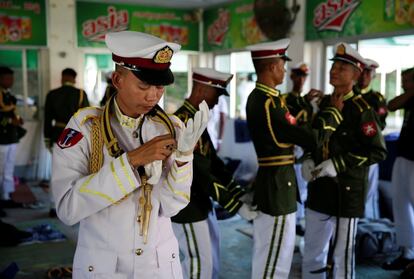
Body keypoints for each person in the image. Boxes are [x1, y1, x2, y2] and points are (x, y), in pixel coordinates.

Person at [51, 31, 209, 279]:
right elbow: (68, 208)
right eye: (144, 85)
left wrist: (183, 159)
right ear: (117, 79)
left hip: (159, 267)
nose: (152, 96)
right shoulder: (85, 127)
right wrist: (133, 160)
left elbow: (171, 207)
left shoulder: (170, 128)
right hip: (105, 268)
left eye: (159, 87)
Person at [245, 39, 344, 279]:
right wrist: (332, 113)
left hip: (276, 183)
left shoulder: (264, 98)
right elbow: (309, 138)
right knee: (275, 259)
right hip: (277, 187)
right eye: (281, 64)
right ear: (271, 67)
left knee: (272, 254)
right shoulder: (269, 102)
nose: (284, 69)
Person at [301, 43, 387, 279]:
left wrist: (337, 164)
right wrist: (308, 158)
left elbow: (377, 151)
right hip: (319, 190)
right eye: (334, 66)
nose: (334, 71)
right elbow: (315, 137)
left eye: (342, 67)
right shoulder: (325, 103)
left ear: (356, 75)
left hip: (346, 193)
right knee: (312, 252)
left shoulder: (362, 110)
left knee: (342, 257)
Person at [172, 67, 257, 279]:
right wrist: (235, 205)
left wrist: (237, 192)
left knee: (211, 264)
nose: (217, 102)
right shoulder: (181, 122)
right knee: (198, 267)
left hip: (202, 204)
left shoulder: (196, 119)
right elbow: (200, 172)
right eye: (215, 95)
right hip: (187, 208)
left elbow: (214, 163)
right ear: (201, 90)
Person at [282, 62, 322, 236]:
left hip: (302, 152)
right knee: (288, 188)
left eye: (304, 76)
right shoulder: (284, 99)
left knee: (303, 188)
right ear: (291, 76)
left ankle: (298, 220)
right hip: (287, 151)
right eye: (298, 75)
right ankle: (292, 220)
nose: (301, 79)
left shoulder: (309, 104)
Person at [44, 67, 90, 217]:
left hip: (57, 135)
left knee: (56, 172)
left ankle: (53, 206)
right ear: (74, 79)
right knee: (78, 172)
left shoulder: (52, 94)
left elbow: (47, 119)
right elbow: (88, 119)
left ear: (63, 78)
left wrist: (47, 138)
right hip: (76, 136)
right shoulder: (81, 94)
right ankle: (75, 208)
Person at [382, 67, 414, 272]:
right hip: (403, 156)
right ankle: (407, 253)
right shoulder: (409, 97)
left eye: (406, 80)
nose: (402, 84)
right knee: (401, 205)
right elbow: (391, 105)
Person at [355, 58, 388, 219]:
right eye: (362, 71)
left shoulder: (376, 98)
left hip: (369, 151)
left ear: (373, 75)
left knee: (369, 193)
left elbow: (380, 124)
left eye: (368, 72)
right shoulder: (349, 95)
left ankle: (368, 229)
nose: (364, 76)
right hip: (350, 150)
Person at [0, 66, 24, 205]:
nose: (11, 81)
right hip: (1, 138)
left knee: (8, 169)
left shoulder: (8, 95)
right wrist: (10, 120)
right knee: (1, 169)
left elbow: (11, 112)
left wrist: (17, 119)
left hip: (10, 137)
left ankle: (6, 196)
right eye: (7, 78)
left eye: (12, 78)